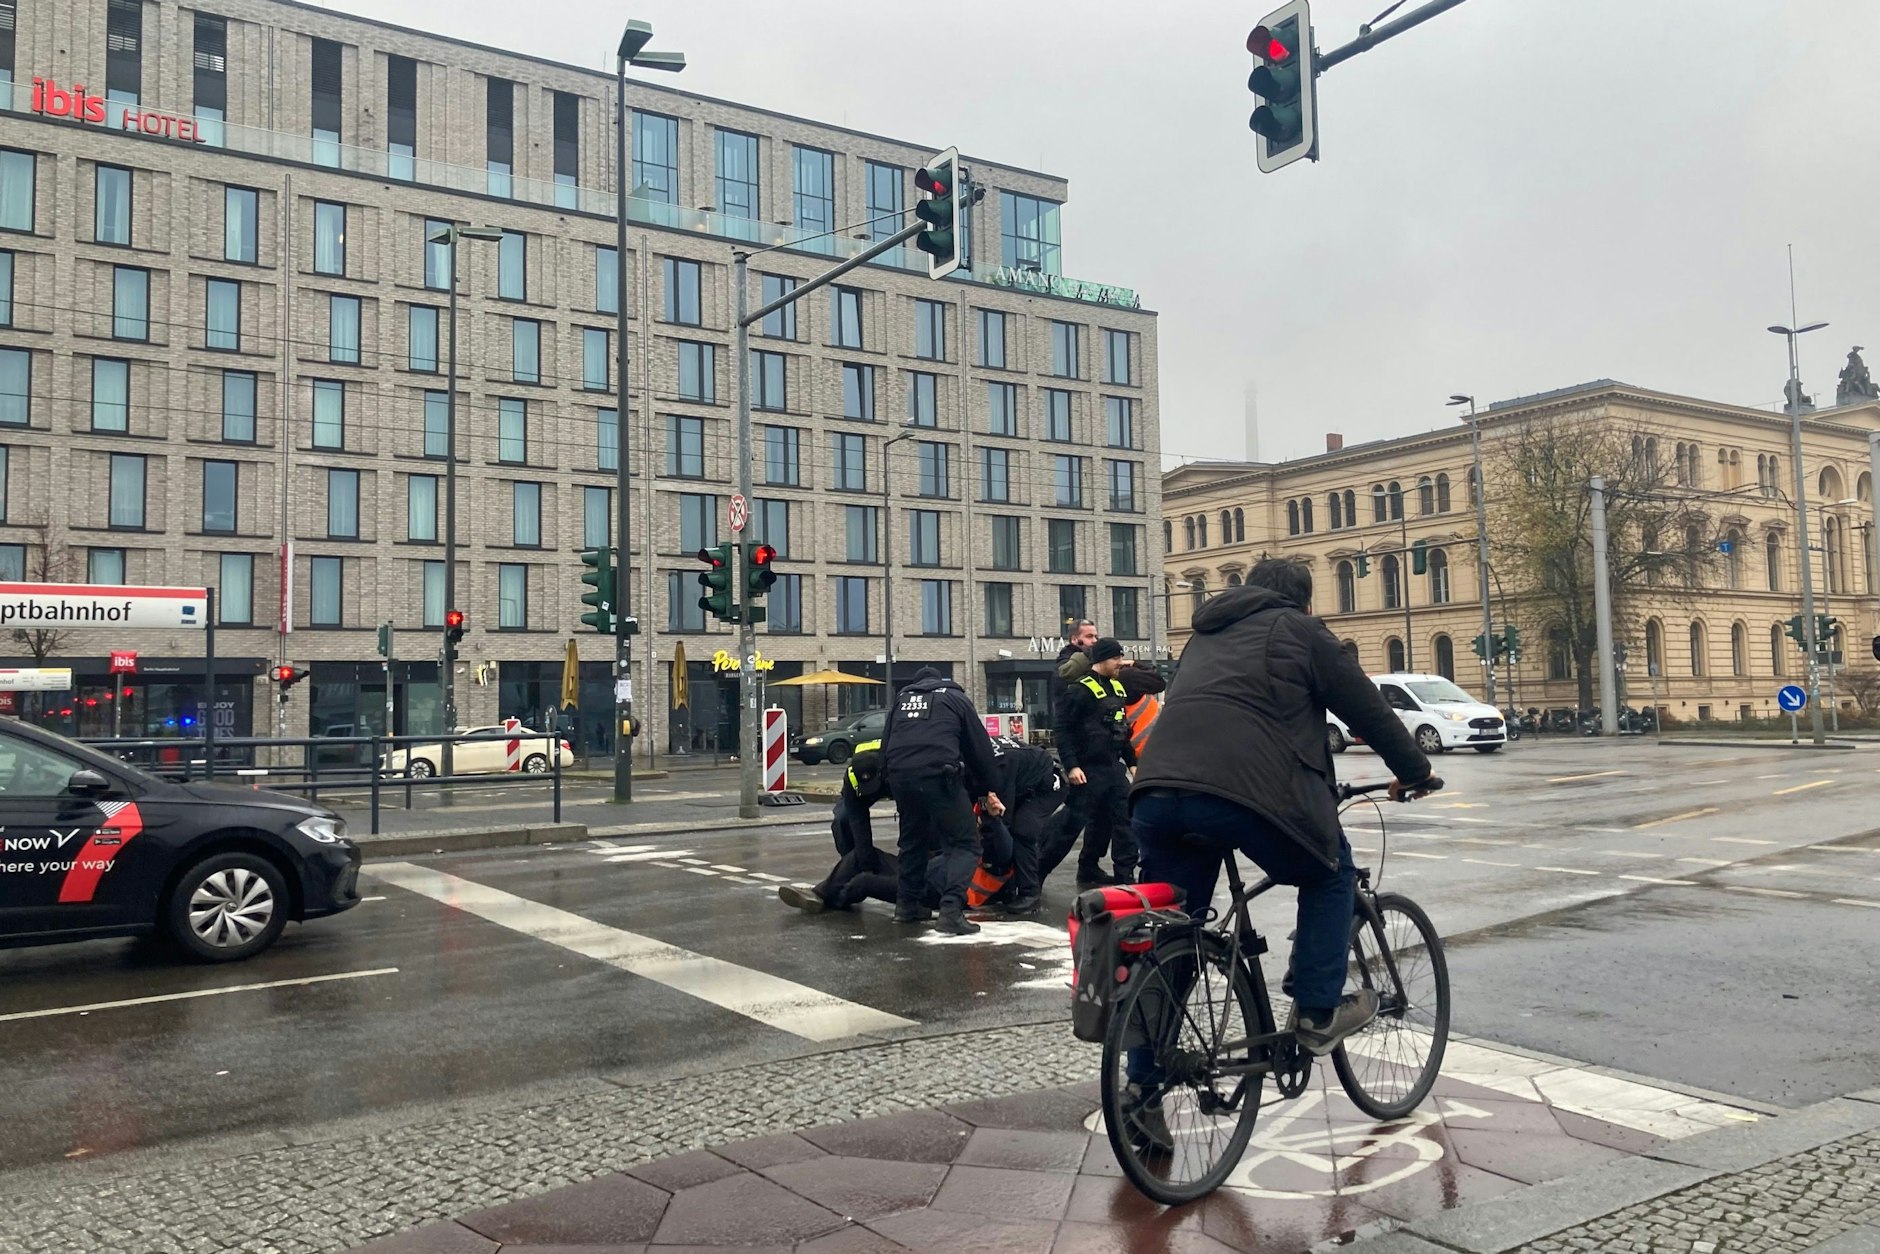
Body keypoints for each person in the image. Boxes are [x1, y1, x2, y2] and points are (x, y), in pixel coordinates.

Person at [1131, 557, 1435, 1064]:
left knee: (1175, 934)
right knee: (1329, 870)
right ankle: (1317, 1013)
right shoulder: (1301, 629)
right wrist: (1416, 771)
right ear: (1306, 600)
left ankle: (1142, 1087)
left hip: (1157, 791)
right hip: (1246, 791)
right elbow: (1369, 710)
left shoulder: (1201, 636)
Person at [880, 667, 1004, 935]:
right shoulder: (955, 698)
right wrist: (988, 788)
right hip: (940, 776)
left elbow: (886, 743)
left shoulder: (901, 701)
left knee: (912, 842)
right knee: (965, 845)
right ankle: (950, 911)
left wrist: (890, 781)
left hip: (900, 777)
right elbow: (979, 748)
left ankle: (906, 906)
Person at [1052, 639, 1140, 891]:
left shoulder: (1117, 688)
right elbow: (1063, 729)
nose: (1120, 663)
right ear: (1101, 660)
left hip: (1113, 769)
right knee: (1070, 826)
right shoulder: (1079, 690)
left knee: (1122, 823)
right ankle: (1033, 879)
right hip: (1087, 771)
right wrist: (1072, 766)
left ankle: (1123, 878)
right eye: (1116, 658)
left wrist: (1132, 762)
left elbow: (1121, 731)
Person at [778, 739, 888, 913]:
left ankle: (847, 884)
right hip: (862, 784)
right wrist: (862, 859)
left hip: (893, 782)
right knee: (843, 821)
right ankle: (852, 869)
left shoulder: (897, 766)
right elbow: (857, 820)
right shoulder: (852, 775)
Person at [979, 735, 1066, 914]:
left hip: (1049, 785)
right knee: (1000, 829)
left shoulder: (1000, 764)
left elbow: (1003, 817)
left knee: (1022, 831)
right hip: (1025, 782)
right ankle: (1007, 887)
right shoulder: (979, 749)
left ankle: (1030, 894)